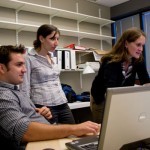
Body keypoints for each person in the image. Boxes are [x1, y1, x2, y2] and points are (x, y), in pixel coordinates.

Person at [0, 45, 100, 150]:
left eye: (24, 65)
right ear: (2, 68)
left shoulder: (14, 90)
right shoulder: (3, 95)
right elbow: (24, 131)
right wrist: (74, 129)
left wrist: (37, 113)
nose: (24, 70)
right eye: (19, 65)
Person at [90, 27, 150, 124]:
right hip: (101, 98)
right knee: (104, 129)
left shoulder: (138, 60)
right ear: (126, 44)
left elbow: (146, 81)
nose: (141, 49)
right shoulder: (110, 61)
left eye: (142, 45)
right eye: (138, 45)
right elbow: (111, 89)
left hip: (119, 97)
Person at [20, 24, 75, 124]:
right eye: (52, 39)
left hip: (62, 103)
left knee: (73, 133)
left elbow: (56, 80)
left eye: (58, 39)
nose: (56, 43)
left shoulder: (53, 57)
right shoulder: (28, 58)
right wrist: (29, 110)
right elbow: (25, 87)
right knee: (53, 137)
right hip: (43, 106)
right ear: (41, 38)